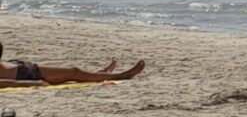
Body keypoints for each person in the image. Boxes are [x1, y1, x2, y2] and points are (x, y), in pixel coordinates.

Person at [0, 42, 146, 85]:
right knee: (73, 72)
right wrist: (35, 84)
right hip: (29, 74)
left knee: (71, 76)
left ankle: (99, 73)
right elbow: (6, 83)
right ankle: (121, 75)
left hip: (25, 69)